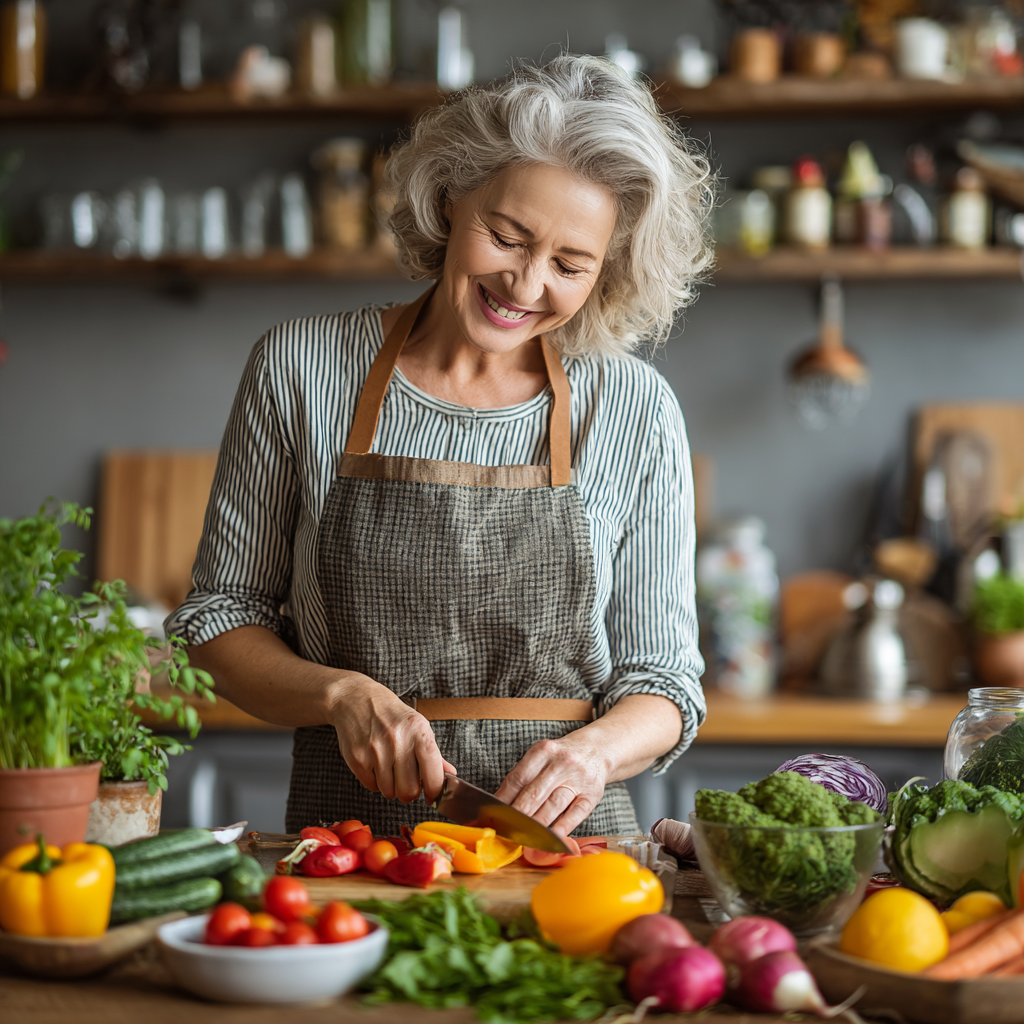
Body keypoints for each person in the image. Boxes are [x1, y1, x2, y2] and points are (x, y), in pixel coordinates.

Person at [167, 54, 714, 839]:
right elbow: (220, 618)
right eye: (507, 235)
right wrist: (339, 696)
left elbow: (664, 682)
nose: (526, 286)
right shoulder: (303, 367)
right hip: (350, 847)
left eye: (569, 264)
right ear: (452, 196)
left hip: (567, 850)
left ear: (610, 270)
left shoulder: (633, 406)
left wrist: (592, 754)